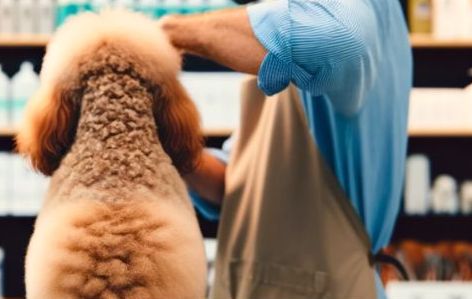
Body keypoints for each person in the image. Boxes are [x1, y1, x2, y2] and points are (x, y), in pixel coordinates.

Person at [161, 0, 412, 298]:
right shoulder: (297, 37)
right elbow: (240, 185)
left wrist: (170, 31)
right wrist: (174, 147)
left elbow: (343, 40)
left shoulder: (340, 18)